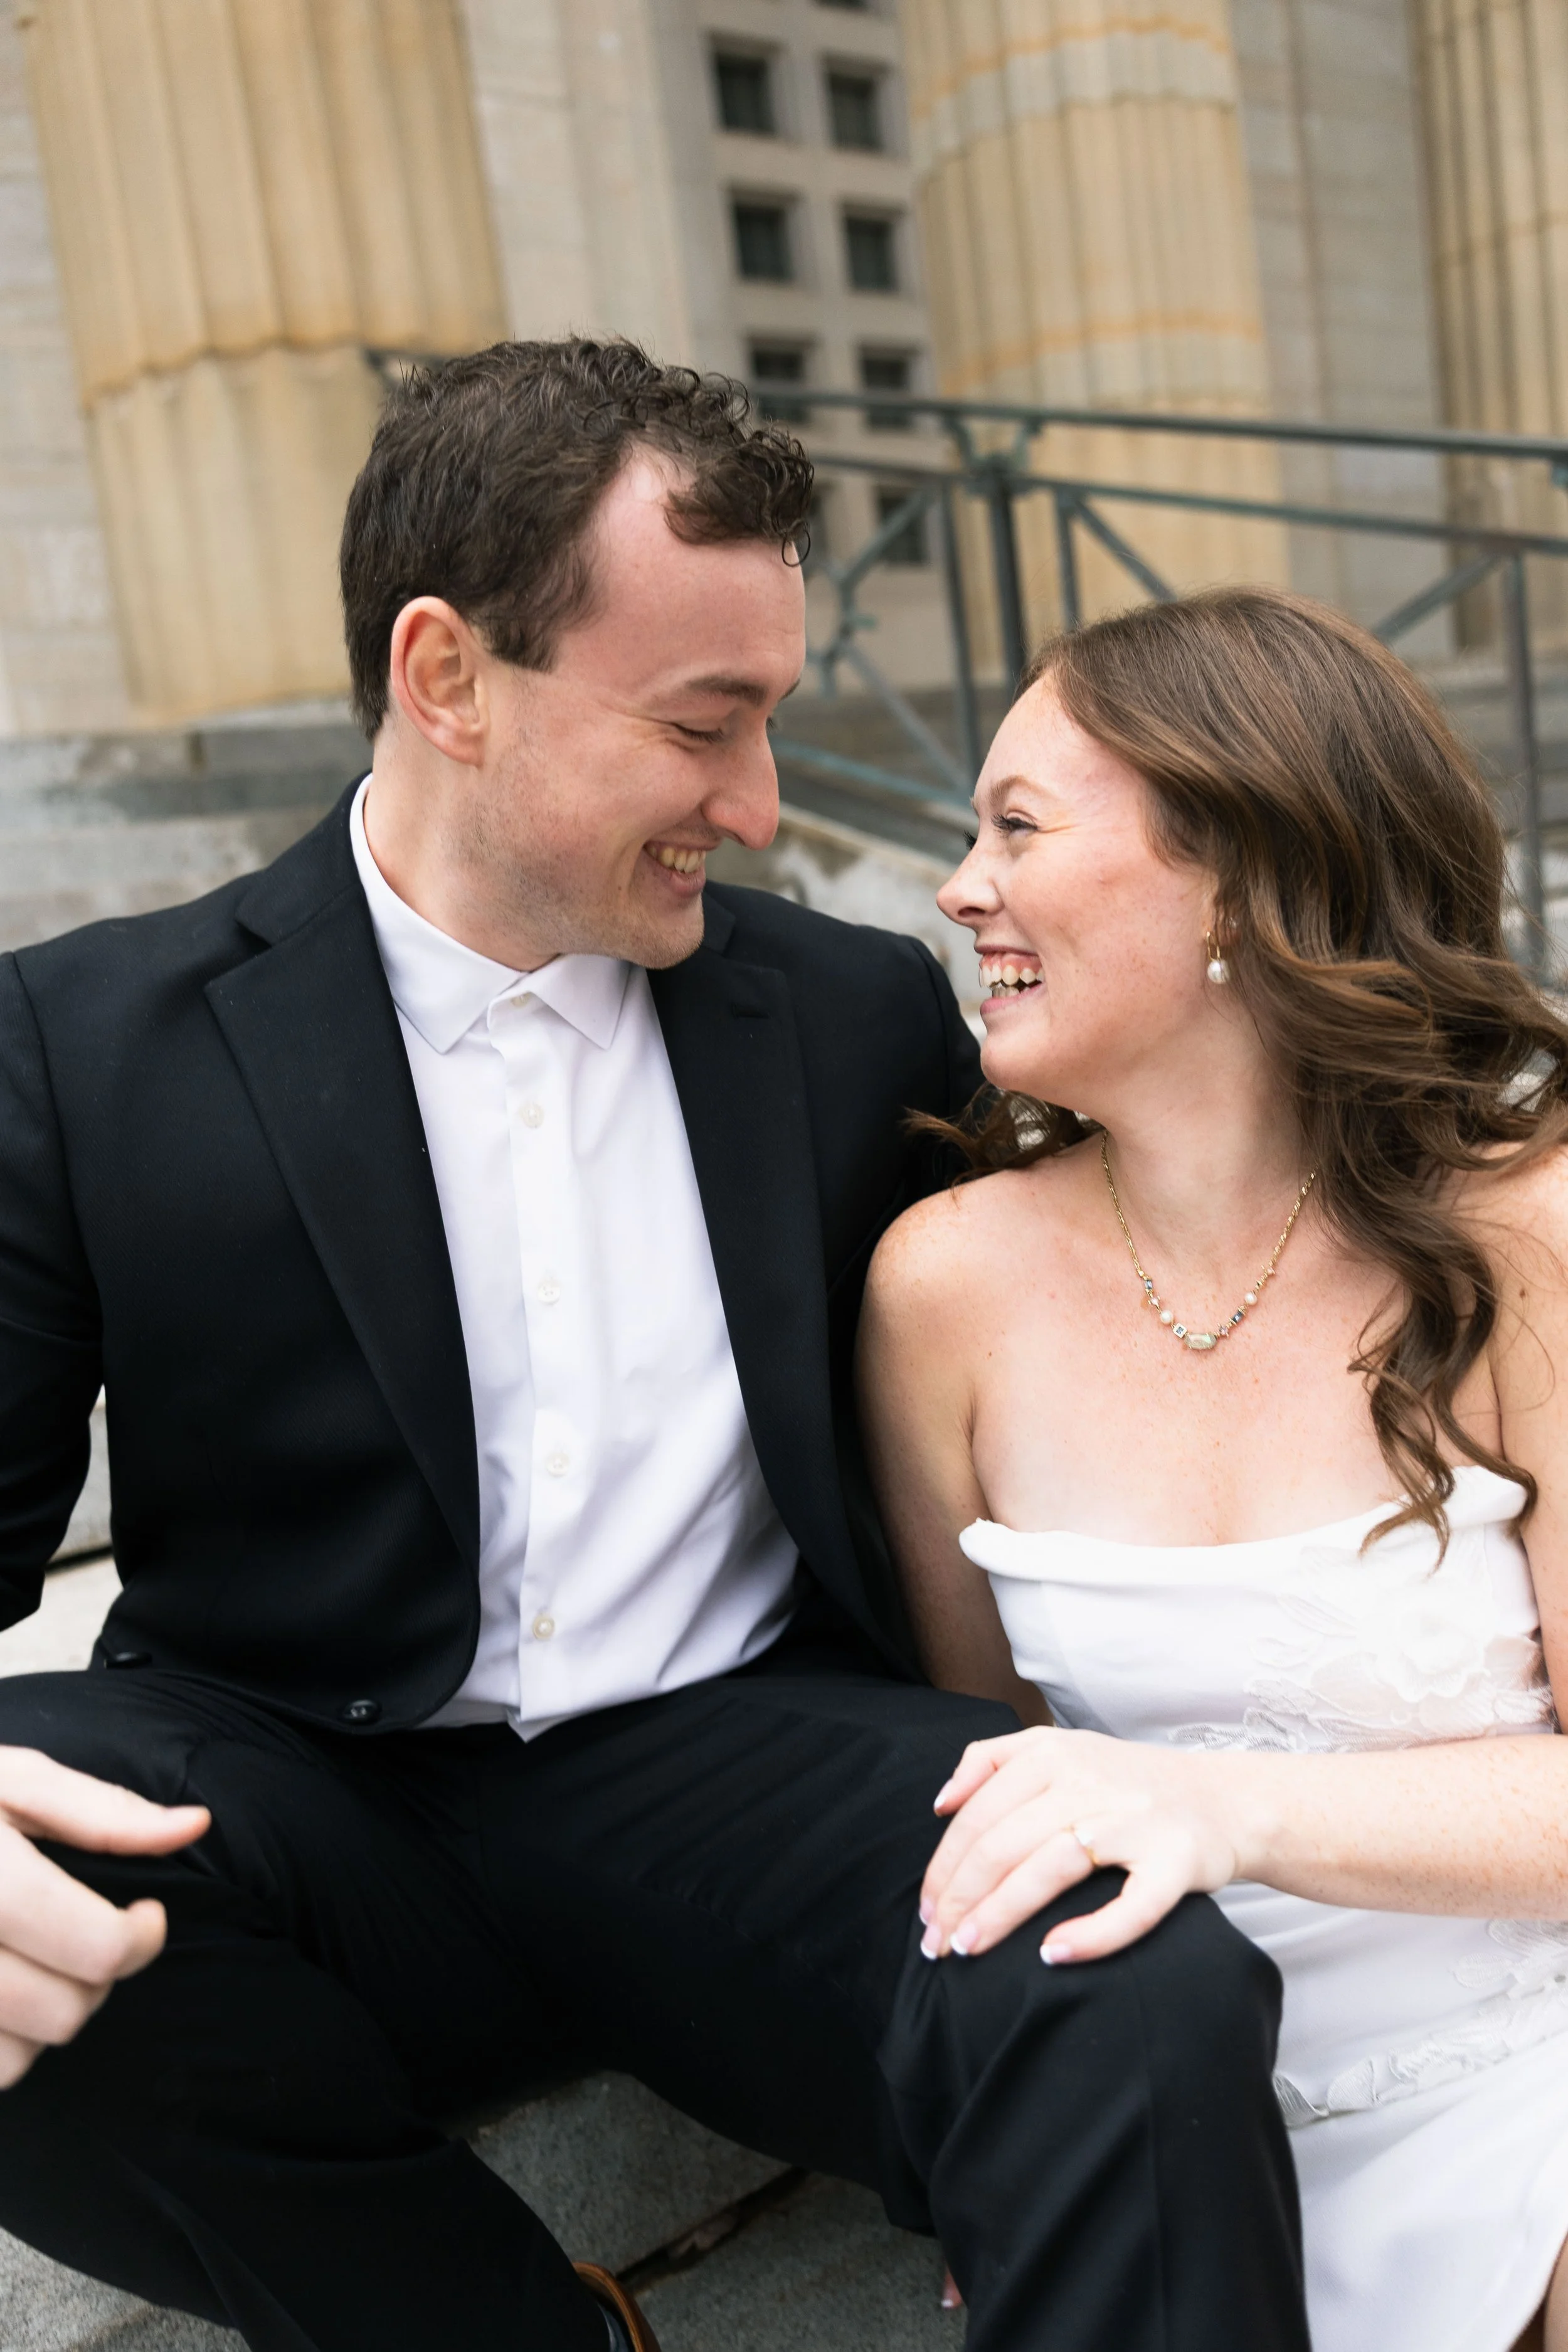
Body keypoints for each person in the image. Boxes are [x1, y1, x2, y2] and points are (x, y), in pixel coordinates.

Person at [0, 345, 1310, 2352]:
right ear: (445, 676)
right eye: (706, 724)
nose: (762, 803)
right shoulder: (83, 1043)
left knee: (1134, 1972)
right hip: (290, 1784)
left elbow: (1189, 1198)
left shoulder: (857, 1014)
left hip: (743, 1768)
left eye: (772, 720)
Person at [857, 583, 1568, 2352]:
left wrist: (1222, 1807)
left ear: (1238, 877)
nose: (959, 887)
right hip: (1161, 2126)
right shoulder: (941, 1284)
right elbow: (976, 1781)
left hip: (1522, 2092)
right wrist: (1007, 2117)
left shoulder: (1519, 1241)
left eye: (1015, 825)